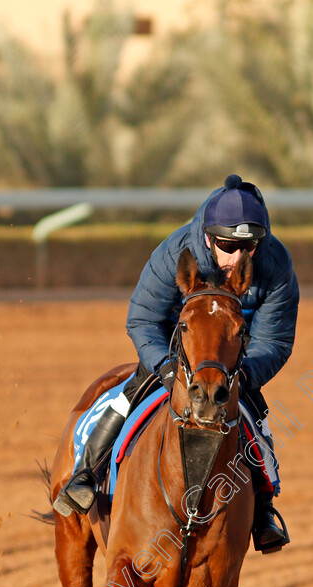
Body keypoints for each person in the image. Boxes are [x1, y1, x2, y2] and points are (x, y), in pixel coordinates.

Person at [53, 174, 299, 553]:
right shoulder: (174, 253)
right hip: (175, 344)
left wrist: (244, 374)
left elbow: (275, 340)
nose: (238, 257)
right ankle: (86, 473)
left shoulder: (277, 263)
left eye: (249, 247)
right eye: (228, 245)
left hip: (231, 356)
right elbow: (142, 319)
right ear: (208, 237)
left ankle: (264, 507)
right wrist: (167, 369)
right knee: (132, 390)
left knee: (255, 414)